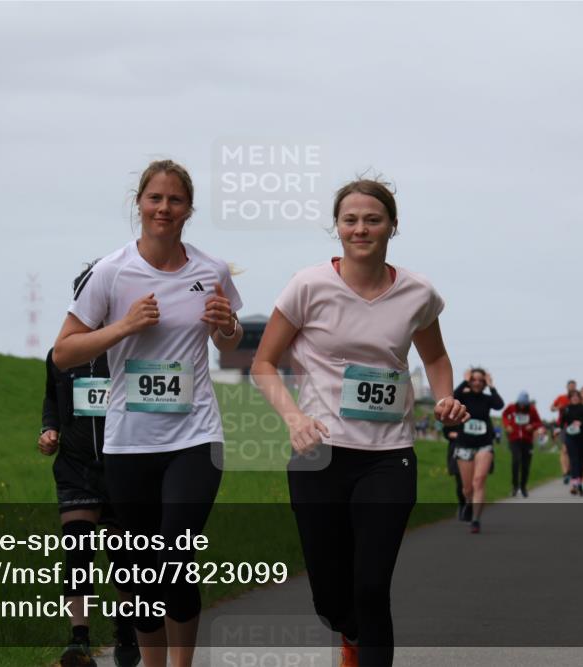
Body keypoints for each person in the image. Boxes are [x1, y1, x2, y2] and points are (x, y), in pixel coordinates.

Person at [250, 177, 468, 667]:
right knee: (331, 596)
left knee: (371, 587)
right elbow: (263, 363)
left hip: (389, 457)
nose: (361, 228)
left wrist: (447, 396)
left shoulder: (417, 293)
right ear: (337, 227)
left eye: (373, 219)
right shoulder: (309, 285)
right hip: (319, 453)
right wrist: (293, 418)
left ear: (392, 225)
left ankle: (362, 636)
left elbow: (435, 358)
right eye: (350, 220)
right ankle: (347, 631)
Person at [53, 160, 244, 667]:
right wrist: (123, 327)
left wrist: (227, 328)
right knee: (138, 569)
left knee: (176, 560)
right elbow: (63, 353)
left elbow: (230, 344)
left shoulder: (211, 270)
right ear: (138, 203)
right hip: (129, 442)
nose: (164, 208)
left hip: (195, 436)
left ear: (189, 209)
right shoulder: (111, 272)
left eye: (175, 200)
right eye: (155, 198)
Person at [39, 267, 141, 667]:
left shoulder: (131, 350)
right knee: (78, 555)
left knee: (123, 559)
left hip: (123, 465)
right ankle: (79, 639)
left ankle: (127, 630)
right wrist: (48, 430)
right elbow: (52, 401)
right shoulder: (60, 355)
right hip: (76, 466)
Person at [452, 368, 504, 532]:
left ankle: (475, 520)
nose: (477, 382)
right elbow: (453, 397)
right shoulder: (463, 396)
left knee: (479, 481)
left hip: (484, 445)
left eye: (480, 380)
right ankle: (469, 502)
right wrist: (464, 381)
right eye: (473, 379)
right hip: (464, 444)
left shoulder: (487, 399)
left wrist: (491, 386)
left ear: (484, 383)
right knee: (467, 488)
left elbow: (499, 404)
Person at [501, 391, 543, 497]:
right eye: (521, 403)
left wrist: (532, 426)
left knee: (525, 465)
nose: (522, 405)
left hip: (527, 440)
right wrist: (507, 426)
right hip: (514, 439)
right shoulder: (511, 407)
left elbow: (539, 422)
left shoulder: (532, 409)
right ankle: (515, 486)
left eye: (524, 403)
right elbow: (504, 415)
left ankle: (523, 486)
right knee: (516, 461)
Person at [560, 389, 583, 496]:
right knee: (573, 459)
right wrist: (558, 430)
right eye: (572, 396)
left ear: (579, 398)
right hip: (571, 437)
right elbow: (561, 423)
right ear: (569, 398)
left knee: (581, 461)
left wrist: (581, 423)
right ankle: (574, 483)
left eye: (576, 396)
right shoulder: (566, 409)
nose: (574, 398)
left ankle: (579, 482)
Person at [551, 380, 576, 484]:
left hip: (575, 427)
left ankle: (570, 470)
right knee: (564, 449)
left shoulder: (577, 398)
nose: (571, 388)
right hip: (563, 426)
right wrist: (558, 407)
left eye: (573, 386)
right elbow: (552, 408)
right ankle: (565, 473)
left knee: (572, 451)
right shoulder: (561, 398)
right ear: (566, 387)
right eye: (570, 386)